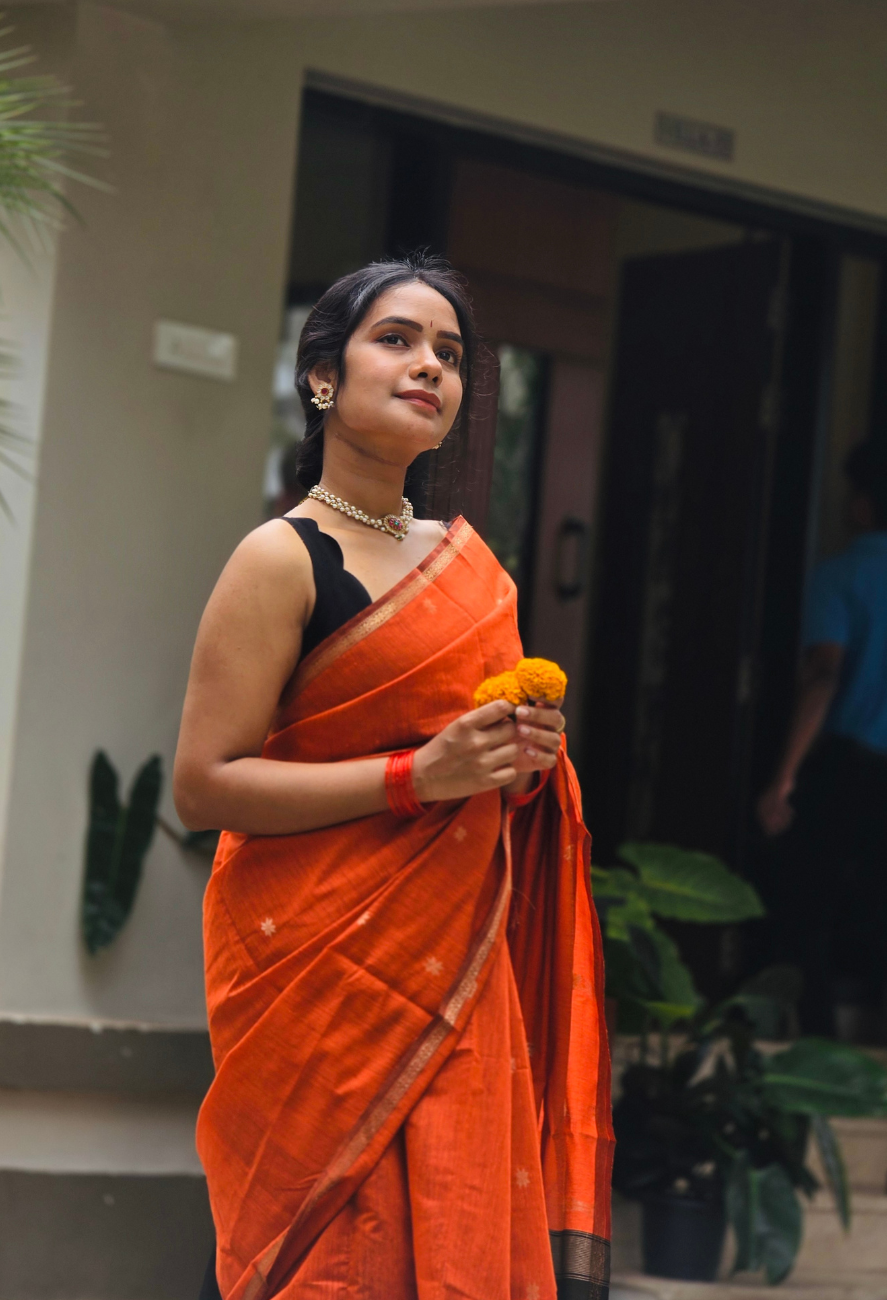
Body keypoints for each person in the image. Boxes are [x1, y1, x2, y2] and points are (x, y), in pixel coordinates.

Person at [174, 254, 613, 1300]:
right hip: (317, 972)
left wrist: (520, 768)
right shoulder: (280, 559)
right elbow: (203, 785)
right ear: (322, 376)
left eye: (450, 355)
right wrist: (418, 776)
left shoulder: (473, 571)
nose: (430, 368)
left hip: (453, 975)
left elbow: (483, 786)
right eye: (398, 340)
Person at [757, 438, 887, 1035]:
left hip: (849, 765)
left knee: (810, 906)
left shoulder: (841, 576)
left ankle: (815, 1037)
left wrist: (783, 778)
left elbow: (824, 676)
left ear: (861, 505)